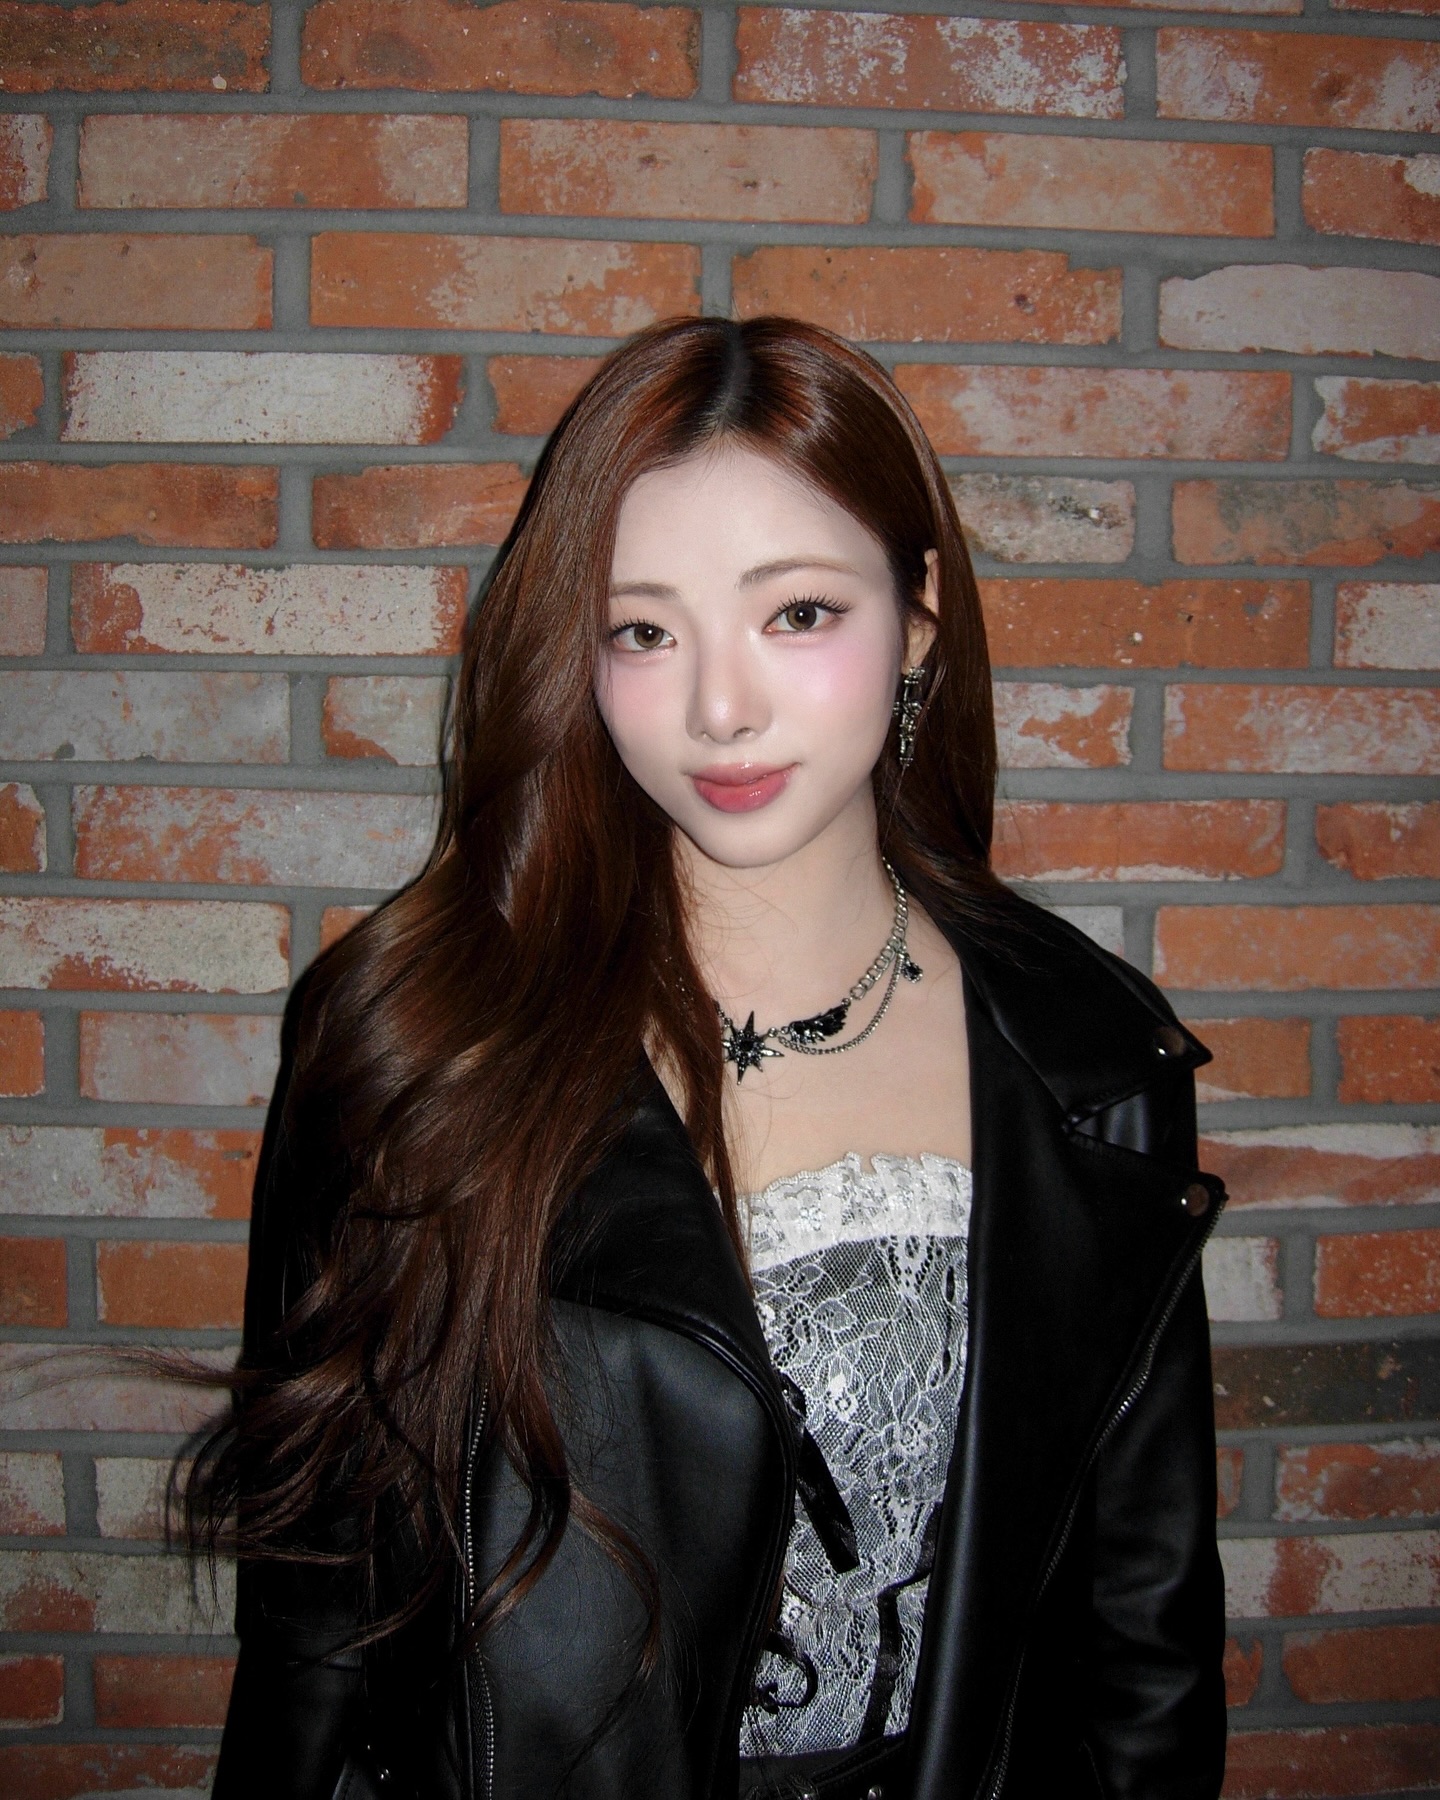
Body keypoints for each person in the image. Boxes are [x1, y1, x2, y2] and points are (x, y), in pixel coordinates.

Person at [199, 316, 1228, 1800]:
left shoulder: (1092, 1055)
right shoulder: (419, 1041)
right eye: (644, 631)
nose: (720, 708)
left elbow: (1142, 1635)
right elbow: (315, 1628)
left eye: (798, 613)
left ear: (919, 617)